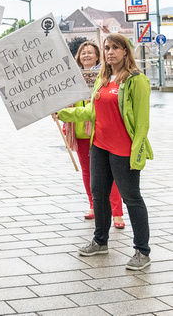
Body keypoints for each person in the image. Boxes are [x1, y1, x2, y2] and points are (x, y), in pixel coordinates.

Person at [55, 33, 153, 271]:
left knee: (132, 198)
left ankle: (142, 251)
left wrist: (136, 154)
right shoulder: (103, 78)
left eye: (115, 48)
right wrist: (64, 114)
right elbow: (91, 111)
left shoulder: (136, 80)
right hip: (98, 146)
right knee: (98, 194)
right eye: (107, 48)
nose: (110, 52)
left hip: (123, 150)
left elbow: (141, 123)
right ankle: (100, 241)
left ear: (125, 51)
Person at [66, 41, 124, 228]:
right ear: (79, 57)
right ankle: (93, 205)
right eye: (83, 53)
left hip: (99, 129)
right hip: (79, 129)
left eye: (90, 52)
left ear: (98, 56)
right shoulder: (72, 78)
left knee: (110, 173)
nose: (86, 55)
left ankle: (116, 213)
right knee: (86, 171)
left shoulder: (104, 76)